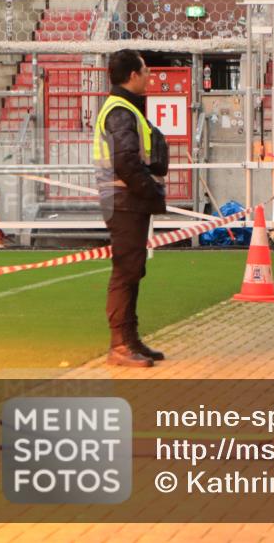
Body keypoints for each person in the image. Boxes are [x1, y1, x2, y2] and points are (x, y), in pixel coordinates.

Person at [93, 49, 169, 367]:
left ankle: (130, 339)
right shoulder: (120, 111)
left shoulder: (124, 108)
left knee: (133, 269)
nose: (150, 75)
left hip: (126, 200)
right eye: (146, 70)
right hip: (124, 201)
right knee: (125, 272)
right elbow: (126, 161)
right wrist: (150, 191)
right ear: (133, 75)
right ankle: (120, 345)